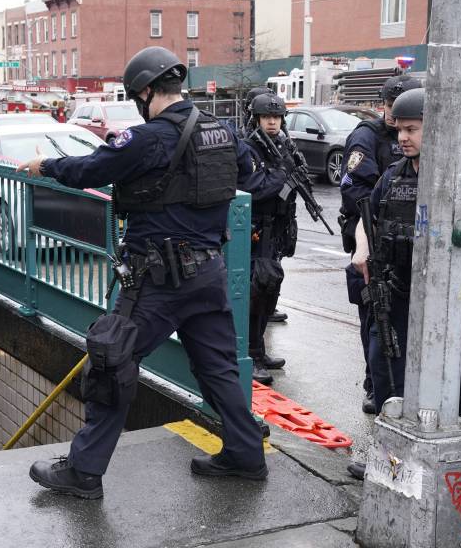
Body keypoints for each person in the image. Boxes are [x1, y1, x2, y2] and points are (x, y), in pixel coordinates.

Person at [18, 47, 284, 499]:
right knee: (217, 368)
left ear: (143, 91)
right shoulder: (222, 133)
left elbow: (89, 169)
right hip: (209, 274)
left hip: (158, 280)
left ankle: (83, 471)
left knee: (111, 360)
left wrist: (43, 165)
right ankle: (244, 452)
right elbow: (248, 178)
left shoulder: (146, 139)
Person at [353, 87, 461, 425]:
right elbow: (368, 220)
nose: (403, 138)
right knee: (386, 373)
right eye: (399, 129)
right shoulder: (395, 175)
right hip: (398, 293)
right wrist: (361, 247)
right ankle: (389, 451)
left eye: (412, 129)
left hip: (453, 299)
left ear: (434, 128)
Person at [340, 74, 423, 414]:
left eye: (410, 126)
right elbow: (354, 189)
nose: (398, 124)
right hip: (374, 242)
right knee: (375, 323)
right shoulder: (367, 136)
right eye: (391, 108)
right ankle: (375, 383)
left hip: (404, 250)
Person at [241, 93, 297, 384]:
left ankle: (259, 350)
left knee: (271, 292)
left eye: (276, 117)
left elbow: (290, 187)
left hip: (275, 231)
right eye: (266, 117)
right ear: (256, 119)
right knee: (257, 293)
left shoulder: (283, 147)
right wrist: (281, 174)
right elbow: (254, 188)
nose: (272, 122)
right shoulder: (248, 150)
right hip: (255, 231)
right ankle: (251, 353)